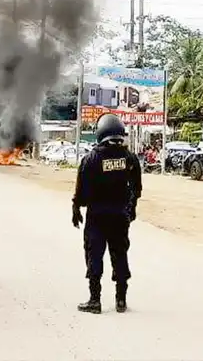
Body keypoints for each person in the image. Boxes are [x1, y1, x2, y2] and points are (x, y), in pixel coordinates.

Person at [72, 114, 143, 314]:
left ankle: (95, 300)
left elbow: (81, 192)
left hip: (97, 217)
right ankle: (121, 300)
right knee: (120, 254)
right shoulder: (130, 158)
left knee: (94, 255)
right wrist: (131, 209)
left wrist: (76, 207)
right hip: (120, 217)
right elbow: (136, 189)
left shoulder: (91, 159)